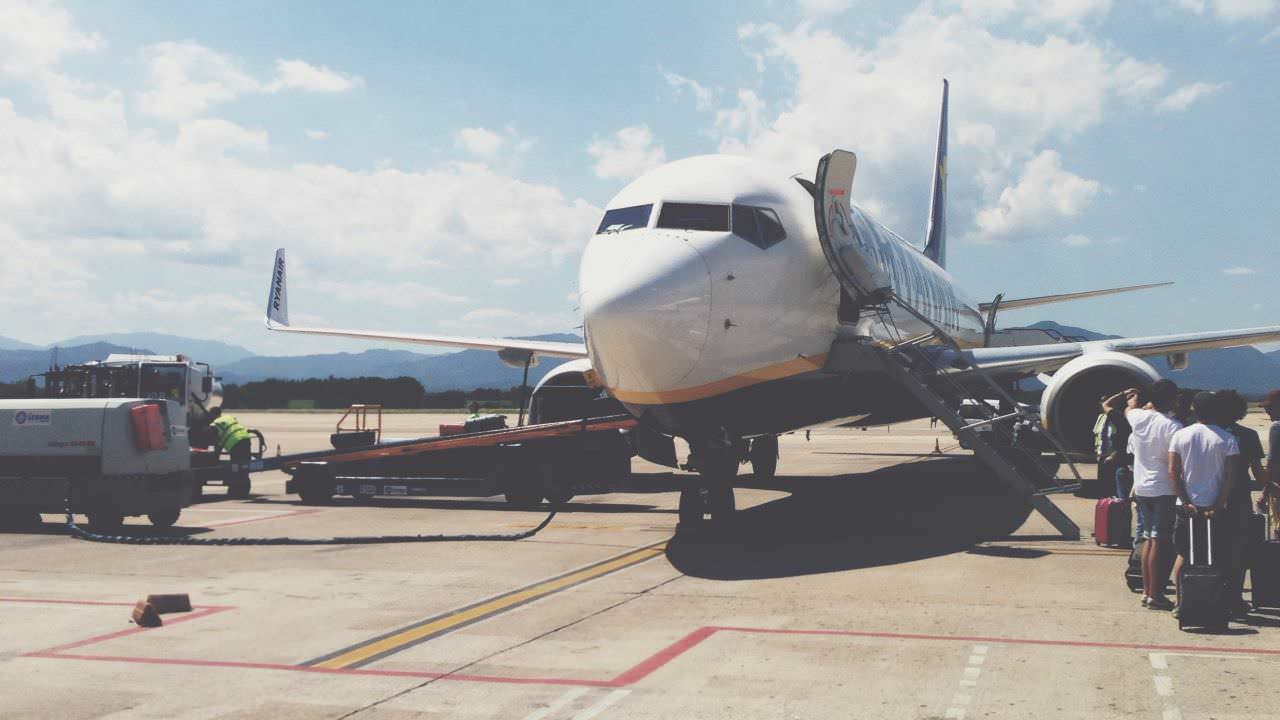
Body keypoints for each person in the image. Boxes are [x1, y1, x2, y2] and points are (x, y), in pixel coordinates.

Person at [1105, 380, 1182, 610]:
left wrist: (1131, 399)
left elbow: (1125, 409)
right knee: (1161, 541)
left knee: (1148, 539)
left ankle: (1148, 592)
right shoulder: (1173, 426)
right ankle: (1155, 593)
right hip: (1163, 488)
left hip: (1142, 486)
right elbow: (1175, 463)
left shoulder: (1138, 418)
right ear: (1171, 400)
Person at [1169, 392, 1241, 618]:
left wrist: (1186, 501)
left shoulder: (1180, 435)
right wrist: (1219, 503)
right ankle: (1213, 601)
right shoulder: (1227, 439)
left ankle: (1180, 603)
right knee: (1215, 555)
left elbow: (1173, 471)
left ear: (1193, 408)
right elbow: (1231, 476)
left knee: (1184, 554)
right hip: (1214, 506)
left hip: (1186, 505)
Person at [1220, 390, 1267, 615]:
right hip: (1239, 496)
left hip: (1212, 495)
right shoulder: (1248, 436)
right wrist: (1269, 487)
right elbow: (1257, 471)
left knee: (1215, 547)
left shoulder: (1212, 433)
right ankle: (1234, 597)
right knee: (1238, 549)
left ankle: (1214, 592)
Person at [208, 407, 253, 498]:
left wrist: (215, 458)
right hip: (246, 439)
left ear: (213, 415)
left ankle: (235, 490)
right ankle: (244, 489)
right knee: (244, 466)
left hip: (235, 443)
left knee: (235, 467)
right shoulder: (228, 417)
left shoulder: (215, 424)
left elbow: (218, 444)